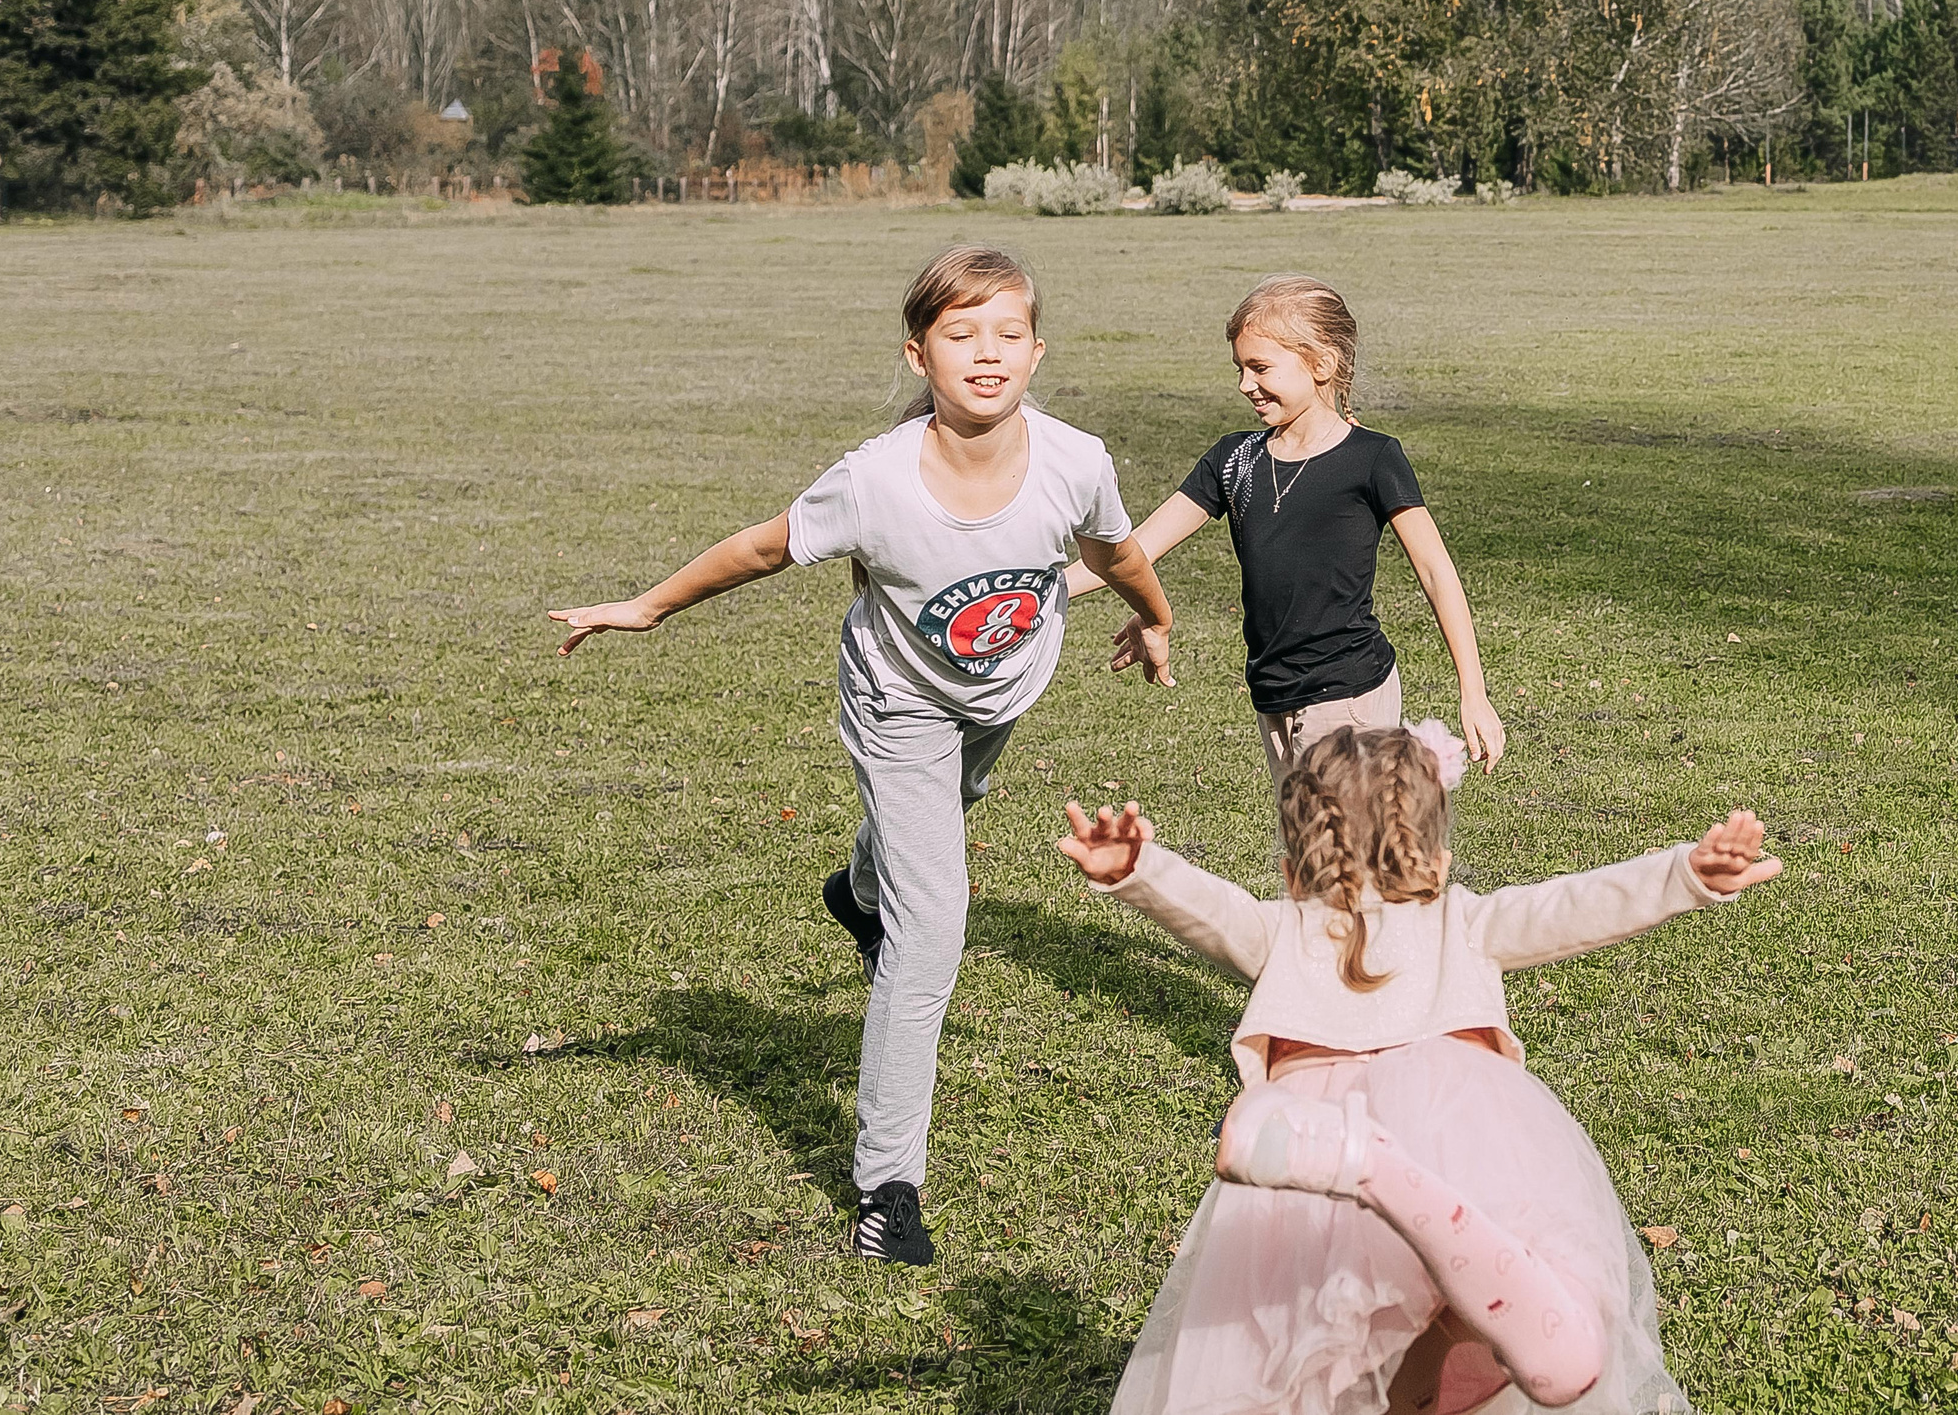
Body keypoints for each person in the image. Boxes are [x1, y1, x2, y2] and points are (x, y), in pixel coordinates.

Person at [546, 245, 1176, 1267]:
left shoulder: (1076, 460)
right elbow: (759, 547)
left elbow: (1114, 553)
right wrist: (647, 608)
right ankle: (889, 1189)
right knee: (932, 929)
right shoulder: (875, 482)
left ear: (1037, 350)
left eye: (1006, 334)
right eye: (960, 335)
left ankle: (856, 890)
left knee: (926, 839)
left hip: (1001, 694)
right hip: (898, 708)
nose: (986, 355)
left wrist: (1155, 619)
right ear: (918, 354)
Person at [1056, 724, 1780, 1415]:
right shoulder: (1464, 920)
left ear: (1288, 872)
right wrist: (1685, 872)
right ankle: (1519, 1305)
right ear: (1437, 860)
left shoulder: (1284, 929)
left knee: (1303, 1360)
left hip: (1316, 1192)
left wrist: (1138, 868)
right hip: (1464, 1157)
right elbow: (1571, 906)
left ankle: (1374, 1172)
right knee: (1457, 1336)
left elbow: (1212, 910)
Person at [1063, 275, 1506, 789]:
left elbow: (1435, 571)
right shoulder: (1233, 460)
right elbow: (1132, 550)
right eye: (1240, 368)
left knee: (1344, 857)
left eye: (1260, 367)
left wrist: (1472, 690)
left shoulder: (1372, 459)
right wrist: (1042, 589)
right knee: (1307, 853)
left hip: (1350, 694)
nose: (1244, 384)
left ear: (1322, 364)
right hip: (1272, 694)